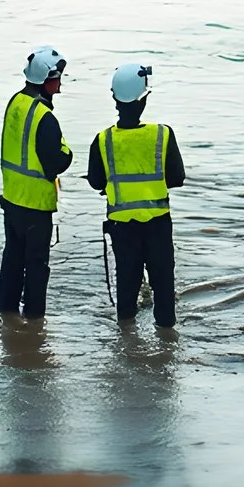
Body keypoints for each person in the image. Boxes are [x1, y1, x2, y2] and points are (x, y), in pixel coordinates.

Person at [87, 62, 187, 329]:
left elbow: (96, 181)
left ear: (115, 99)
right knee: (163, 286)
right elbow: (177, 178)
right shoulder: (162, 134)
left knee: (127, 286)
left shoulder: (102, 140)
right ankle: (166, 342)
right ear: (143, 100)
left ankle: (127, 342)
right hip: (157, 224)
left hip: (122, 228)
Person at [0, 46, 74, 320]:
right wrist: (69, 154)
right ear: (46, 81)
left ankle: (6, 313)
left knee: (12, 261)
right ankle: (33, 322)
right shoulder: (45, 118)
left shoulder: (15, 102)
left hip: (12, 199)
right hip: (35, 206)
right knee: (37, 267)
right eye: (58, 77)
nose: (61, 82)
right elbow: (56, 162)